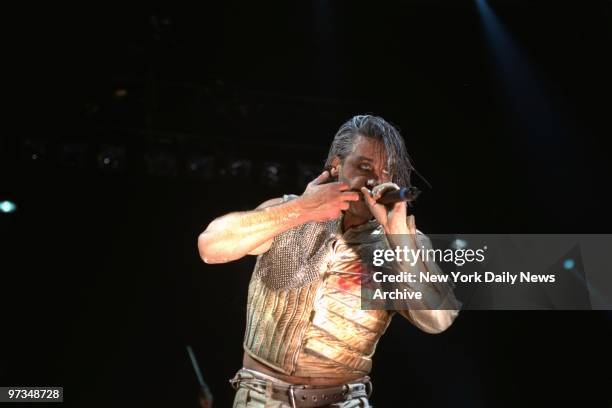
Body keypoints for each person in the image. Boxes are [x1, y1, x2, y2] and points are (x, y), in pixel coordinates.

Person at [198, 115, 461, 407]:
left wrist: (398, 235)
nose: (374, 180)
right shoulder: (287, 211)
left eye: (386, 172)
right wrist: (301, 209)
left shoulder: (401, 242)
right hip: (261, 397)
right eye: (364, 167)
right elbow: (210, 246)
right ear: (336, 165)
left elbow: (438, 319)